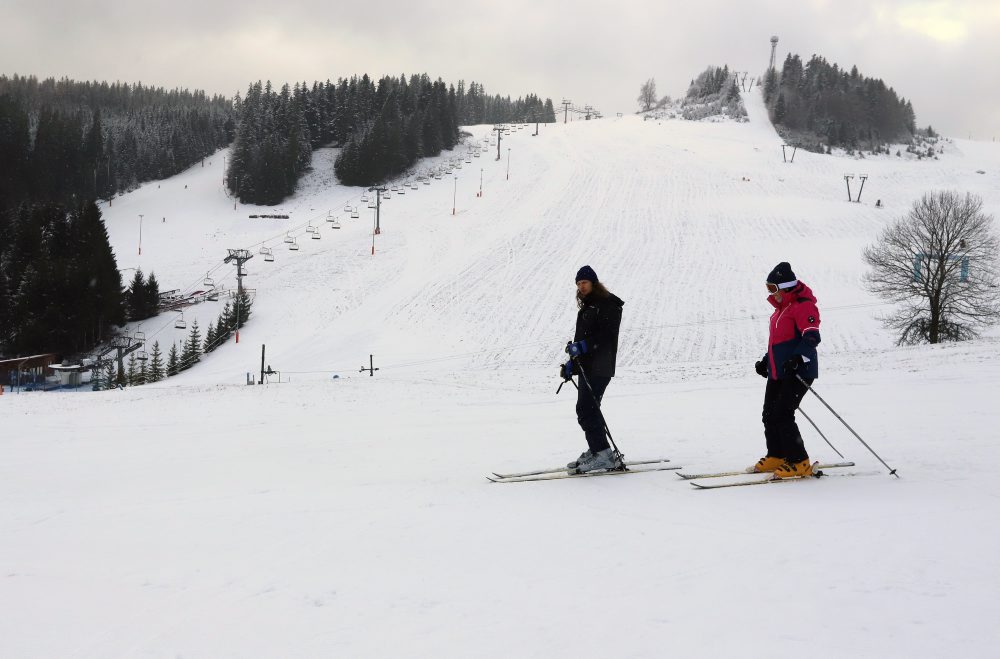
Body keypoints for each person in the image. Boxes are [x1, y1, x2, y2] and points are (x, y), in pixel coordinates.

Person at [752, 262, 822, 478]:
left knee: (783, 414)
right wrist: (766, 361)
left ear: (786, 286)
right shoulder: (780, 311)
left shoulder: (803, 305)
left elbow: (812, 337)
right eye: (768, 288)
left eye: (773, 288)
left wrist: (797, 360)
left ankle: (799, 461)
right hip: (778, 372)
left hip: (799, 372)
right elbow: (779, 343)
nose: (771, 293)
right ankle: (777, 455)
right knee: (769, 414)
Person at [561, 265, 625, 473]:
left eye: (584, 282)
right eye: (578, 284)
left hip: (601, 365)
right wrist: (573, 363)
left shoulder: (606, 304)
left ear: (594, 283)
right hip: (589, 366)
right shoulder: (589, 307)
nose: (581, 287)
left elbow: (607, 336)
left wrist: (584, 346)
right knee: (588, 409)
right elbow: (582, 341)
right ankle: (599, 450)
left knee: (586, 409)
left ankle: (602, 453)